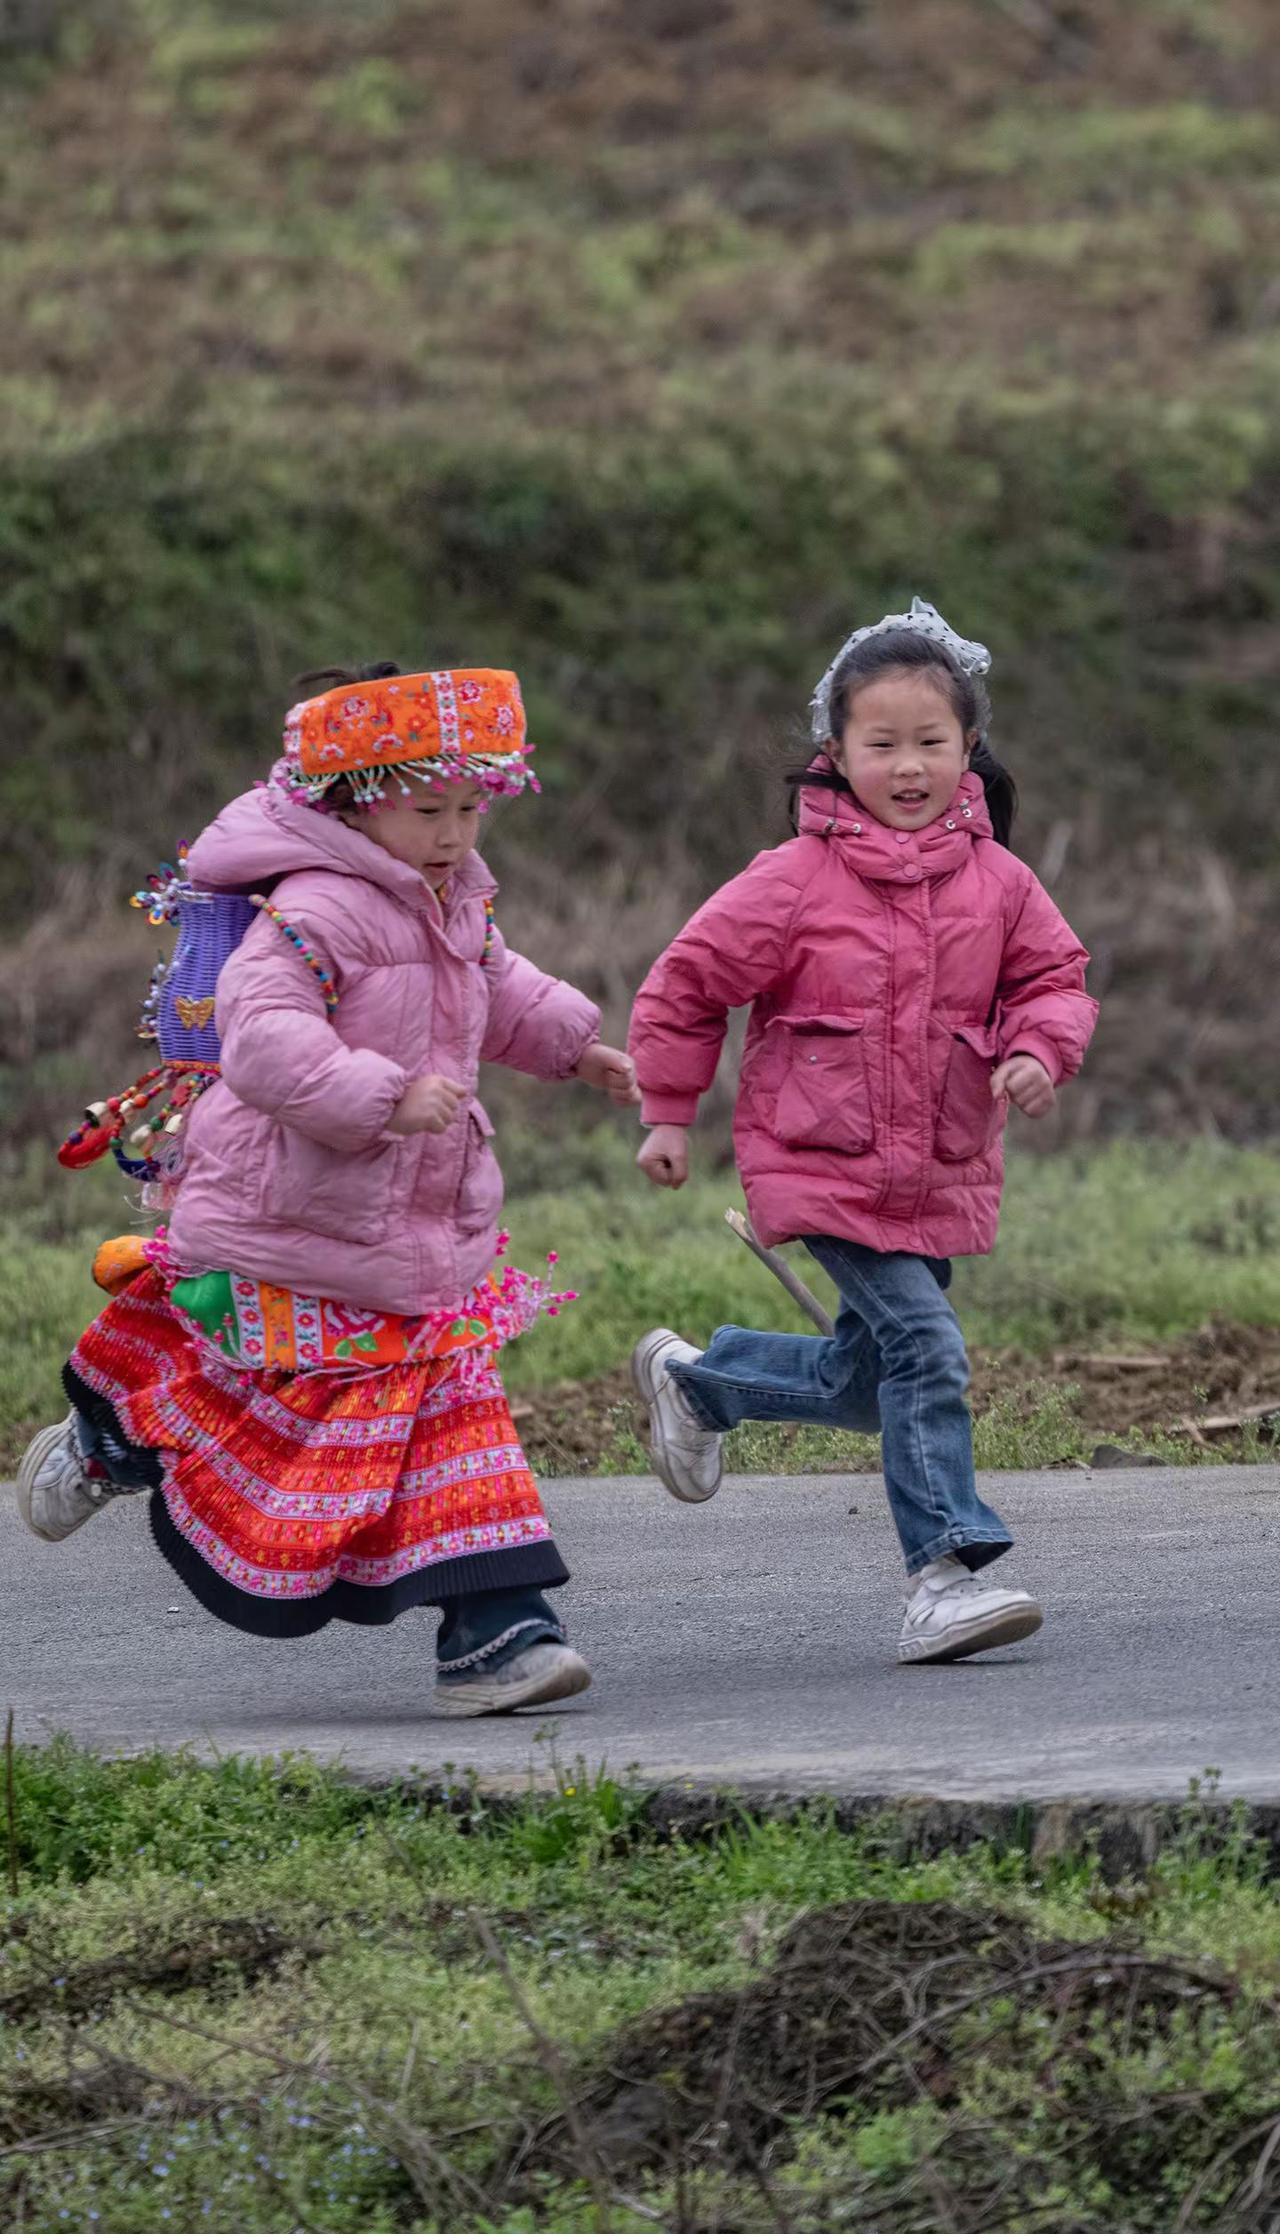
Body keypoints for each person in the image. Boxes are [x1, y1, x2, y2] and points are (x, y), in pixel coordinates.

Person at [17, 662, 638, 1714]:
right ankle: (110, 1438)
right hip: (294, 1210)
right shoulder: (313, 911)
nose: (452, 832)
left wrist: (575, 1045)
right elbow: (259, 1040)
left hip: (414, 1225)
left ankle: (495, 1632)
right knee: (249, 1388)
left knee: (446, 1401)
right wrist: (382, 1095)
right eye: (427, 810)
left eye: (470, 808)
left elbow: (499, 984)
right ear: (354, 804)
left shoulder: (456, 898)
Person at [627, 599, 1098, 1665]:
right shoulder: (790, 882)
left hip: (940, 1164)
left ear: (967, 747)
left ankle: (701, 1381)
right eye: (878, 743)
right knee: (926, 1350)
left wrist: (1036, 1048)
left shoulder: (1000, 882)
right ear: (833, 753)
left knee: (867, 1377)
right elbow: (685, 987)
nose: (906, 764)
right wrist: (666, 1113)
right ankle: (940, 1575)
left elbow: (1054, 978)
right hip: (819, 1163)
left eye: (928, 742)